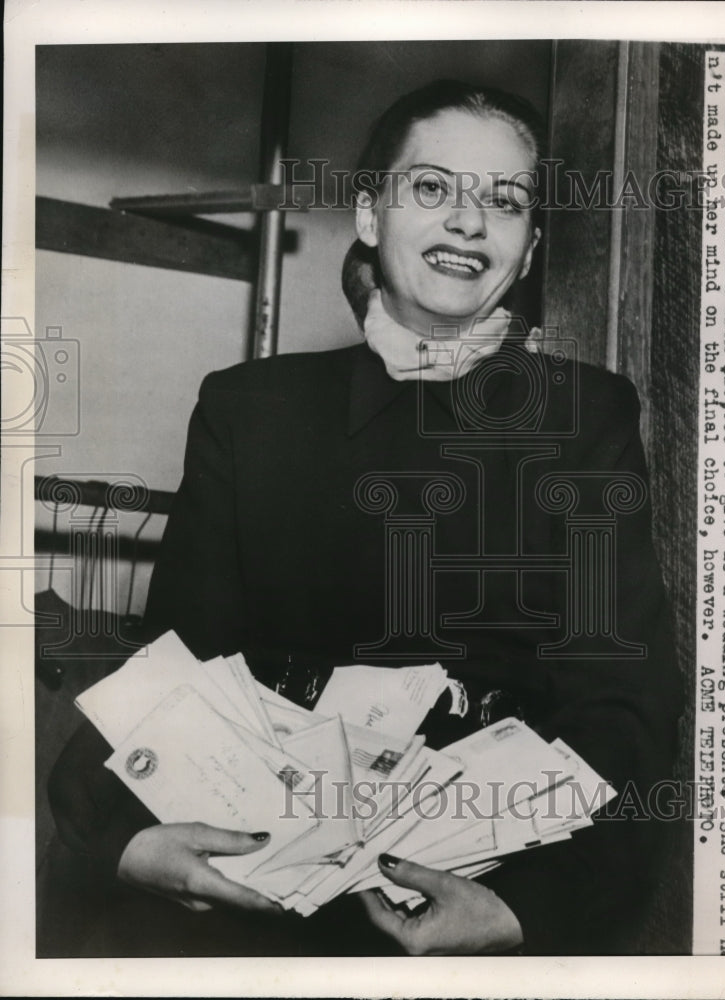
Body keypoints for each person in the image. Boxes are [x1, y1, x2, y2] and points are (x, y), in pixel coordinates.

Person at [48, 79, 683, 957]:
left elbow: (624, 704)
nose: (467, 223)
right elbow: (174, 666)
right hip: (249, 878)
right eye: (430, 188)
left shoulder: (587, 418)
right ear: (371, 216)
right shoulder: (250, 408)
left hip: (480, 882)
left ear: (529, 249)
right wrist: (128, 841)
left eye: (503, 203)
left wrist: (524, 909)